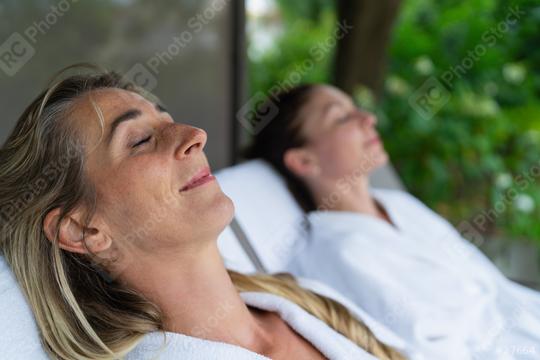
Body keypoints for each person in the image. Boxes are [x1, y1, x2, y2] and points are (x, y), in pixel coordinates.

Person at [0, 66, 407, 360]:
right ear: (82, 229)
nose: (195, 135)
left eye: (169, 120)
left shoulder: (304, 301)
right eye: (140, 140)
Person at [247, 83, 540, 359]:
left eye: (356, 108)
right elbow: (423, 350)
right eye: (341, 117)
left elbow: (492, 283)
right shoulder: (340, 253)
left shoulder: (399, 205)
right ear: (304, 161)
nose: (368, 118)